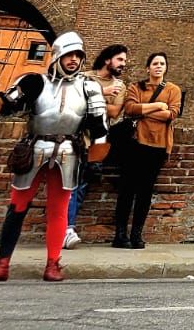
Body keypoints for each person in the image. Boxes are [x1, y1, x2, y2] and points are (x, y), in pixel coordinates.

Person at [0, 30, 107, 282]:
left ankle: (53, 264)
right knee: (17, 207)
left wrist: (96, 158)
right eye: (69, 55)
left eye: (78, 56)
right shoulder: (34, 81)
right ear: (58, 55)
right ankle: (1, 265)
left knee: (58, 211)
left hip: (69, 152)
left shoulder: (89, 87)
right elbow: (5, 108)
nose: (73, 60)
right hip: (34, 148)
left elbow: (99, 127)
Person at [114, 52, 181, 250]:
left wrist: (147, 110)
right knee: (126, 190)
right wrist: (157, 106)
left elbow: (172, 114)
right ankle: (120, 235)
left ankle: (136, 234)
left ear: (165, 68)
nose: (158, 66)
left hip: (158, 146)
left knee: (145, 191)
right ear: (148, 68)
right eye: (154, 63)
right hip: (135, 143)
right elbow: (130, 109)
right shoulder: (137, 86)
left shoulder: (173, 90)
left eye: (162, 63)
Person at [64, 43, 127, 250]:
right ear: (108, 59)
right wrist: (103, 92)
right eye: (120, 60)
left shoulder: (120, 85)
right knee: (70, 183)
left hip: (98, 141)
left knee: (83, 184)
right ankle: (67, 228)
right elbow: (72, 101)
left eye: (124, 61)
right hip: (75, 137)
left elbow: (115, 112)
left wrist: (90, 98)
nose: (123, 64)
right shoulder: (84, 77)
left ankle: (67, 226)